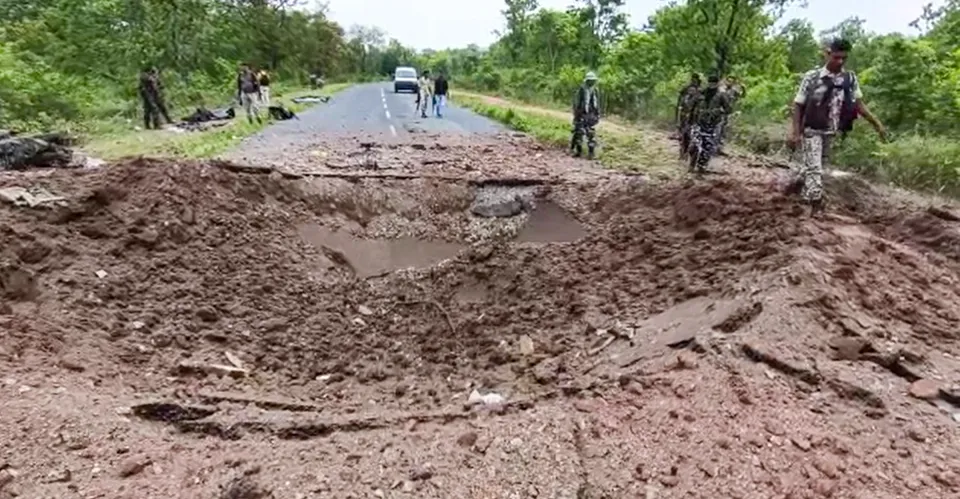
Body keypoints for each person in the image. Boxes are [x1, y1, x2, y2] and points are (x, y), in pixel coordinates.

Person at [787, 38, 886, 215]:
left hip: (831, 130)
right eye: (836, 57)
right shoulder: (812, 77)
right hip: (811, 128)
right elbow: (798, 104)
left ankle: (798, 187)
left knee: (816, 166)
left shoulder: (849, 78)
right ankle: (815, 204)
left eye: (843, 59)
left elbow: (859, 105)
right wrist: (795, 132)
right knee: (815, 168)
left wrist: (876, 124)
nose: (839, 62)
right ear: (827, 54)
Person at [687, 73, 732, 173]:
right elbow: (691, 106)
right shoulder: (701, 93)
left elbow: (728, 109)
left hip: (712, 124)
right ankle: (691, 164)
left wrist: (719, 111)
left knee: (707, 147)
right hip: (698, 122)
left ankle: (701, 166)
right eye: (710, 82)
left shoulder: (721, 95)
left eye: (714, 83)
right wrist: (690, 119)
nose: (712, 85)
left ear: (717, 84)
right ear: (708, 83)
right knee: (694, 144)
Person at [571, 71, 600, 159]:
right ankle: (578, 151)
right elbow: (577, 103)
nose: (592, 82)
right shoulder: (581, 90)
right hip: (581, 113)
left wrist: (597, 114)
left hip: (591, 114)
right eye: (590, 80)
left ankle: (591, 153)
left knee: (590, 133)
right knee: (579, 132)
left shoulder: (595, 90)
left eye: (593, 80)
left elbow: (597, 104)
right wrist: (576, 115)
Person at [676, 73, 702, 159]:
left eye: (695, 79)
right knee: (683, 135)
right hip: (684, 117)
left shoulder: (700, 92)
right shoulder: (686, 90)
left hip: (694, 119)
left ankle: (689, 153)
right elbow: (680, 102)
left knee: (692, 137)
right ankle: (682, 152)